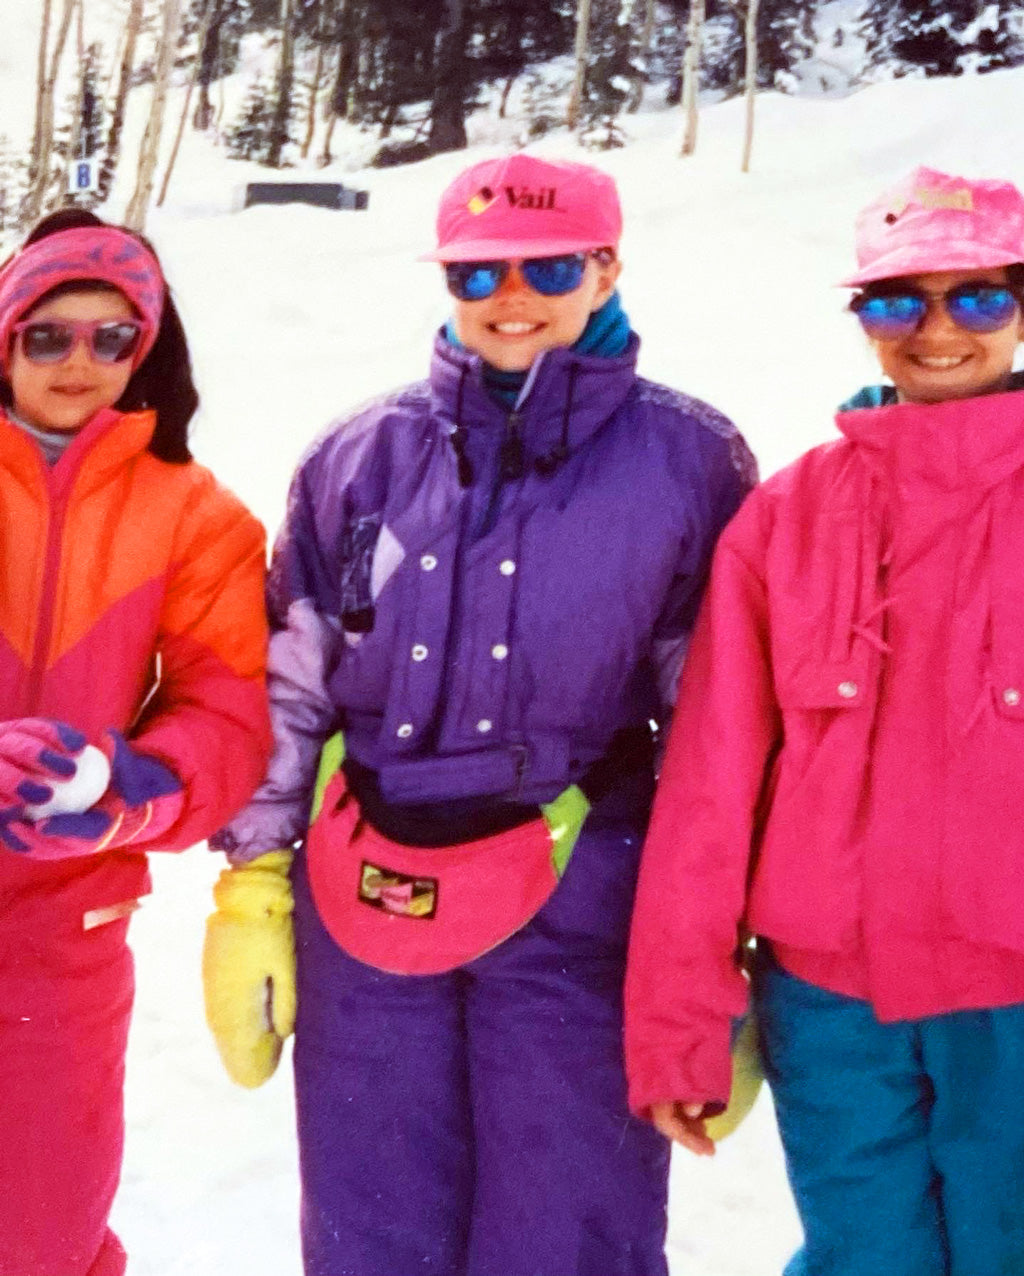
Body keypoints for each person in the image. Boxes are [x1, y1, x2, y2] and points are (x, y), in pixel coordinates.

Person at [202, 152, 756, 1276]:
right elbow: (291, 682)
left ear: (606, 268)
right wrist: (253, 880)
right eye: (476, 272)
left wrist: (714, 949)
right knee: (374, 1230)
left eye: (548, 265)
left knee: (567, 1230)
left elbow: (720, 722)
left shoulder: (690, 459)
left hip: (584, 900)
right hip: (365, 899)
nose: (512, 295)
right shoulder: (357, 457)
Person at [624, 165, 1024, 1276]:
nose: (936, 331)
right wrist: (678, 1018)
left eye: (978, 296)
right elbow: (710, 780)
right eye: (897, 301)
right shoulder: (786, 517)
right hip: (833, 1005)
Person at [0, 207, 271, 1276]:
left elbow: (227, 712)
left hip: (65, 929)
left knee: (42, 1232)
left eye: (113, 337)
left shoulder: (198, 517)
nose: (80, 361)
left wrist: (124, 786)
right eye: (47, 333)